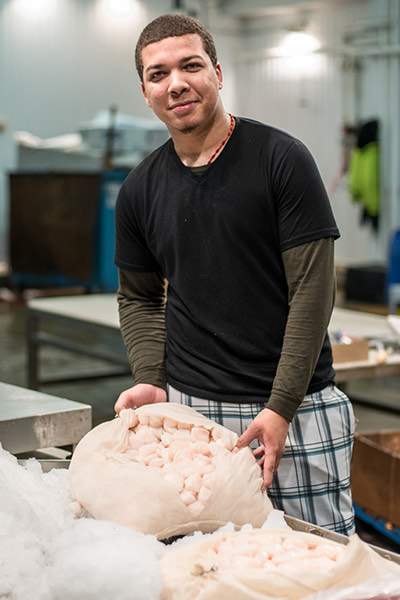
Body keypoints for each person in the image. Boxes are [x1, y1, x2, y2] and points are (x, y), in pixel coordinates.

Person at [114, 13, 355, 535]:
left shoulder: (281, 160)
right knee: (211, 564)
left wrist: (280, 406)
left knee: (321, 559)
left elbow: (311, 292)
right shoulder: (138, 189)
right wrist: (151, 379)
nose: (176, 83)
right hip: (193, 411)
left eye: (190, 66)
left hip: (297, 408)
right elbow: (138, 298)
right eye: (158, 75)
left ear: (218, 74)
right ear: (145, 91)